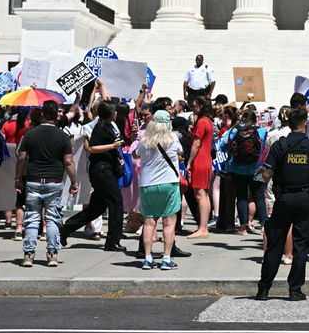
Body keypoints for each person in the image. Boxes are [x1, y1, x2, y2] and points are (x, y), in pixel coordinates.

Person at [256, 107, 309, 301]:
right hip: (305, 199)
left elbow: (266, 175)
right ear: (305, 124)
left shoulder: (280, 146)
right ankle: (295, 290)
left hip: (284, 199)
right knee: (301, 246)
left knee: (274, 245)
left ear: (288, 124)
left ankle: (264, 289)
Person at [15, 100, 77, 267]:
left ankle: (28, 254)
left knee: (32, 218)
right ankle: (52, 254)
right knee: (52, 219)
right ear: (57, 115)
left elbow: (21, 158)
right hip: (54, 181)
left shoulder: (30, 134)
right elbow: (69, 162)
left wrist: (18, 178)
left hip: (33, 179)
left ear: (42, 114)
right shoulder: (63, 136)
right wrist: (74, 181)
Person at [60, 101, 126, 253]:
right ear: (108, 112)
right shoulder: (96, 127)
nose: (116, 113)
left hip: (108, 168)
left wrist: (116, 155)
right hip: (102, 170)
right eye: (114, 111)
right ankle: (112, 241)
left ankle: (66, 228)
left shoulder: (111, 125)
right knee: (116, 204)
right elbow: (90, 148)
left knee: (97, 208)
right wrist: (112, 147)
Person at [136, 110, 184, 270]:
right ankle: (166, 258)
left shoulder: (144, 140)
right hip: (168, 182)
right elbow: (181, 152)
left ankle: (148, 258)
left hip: (147, 183)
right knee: (169, 222)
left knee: (149, 222)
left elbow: (136, 155)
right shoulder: (173, 138)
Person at [186, 96, 214, 239]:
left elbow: (196, 144)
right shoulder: (208, 121)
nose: (193, 107)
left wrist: (189, 162)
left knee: (200, 195)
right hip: (206, 160)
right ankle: (203, 227)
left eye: (195, 105)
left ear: (201, 106)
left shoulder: (202, 121)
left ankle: (202, 228)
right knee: (204, 194)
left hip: (200, 160)